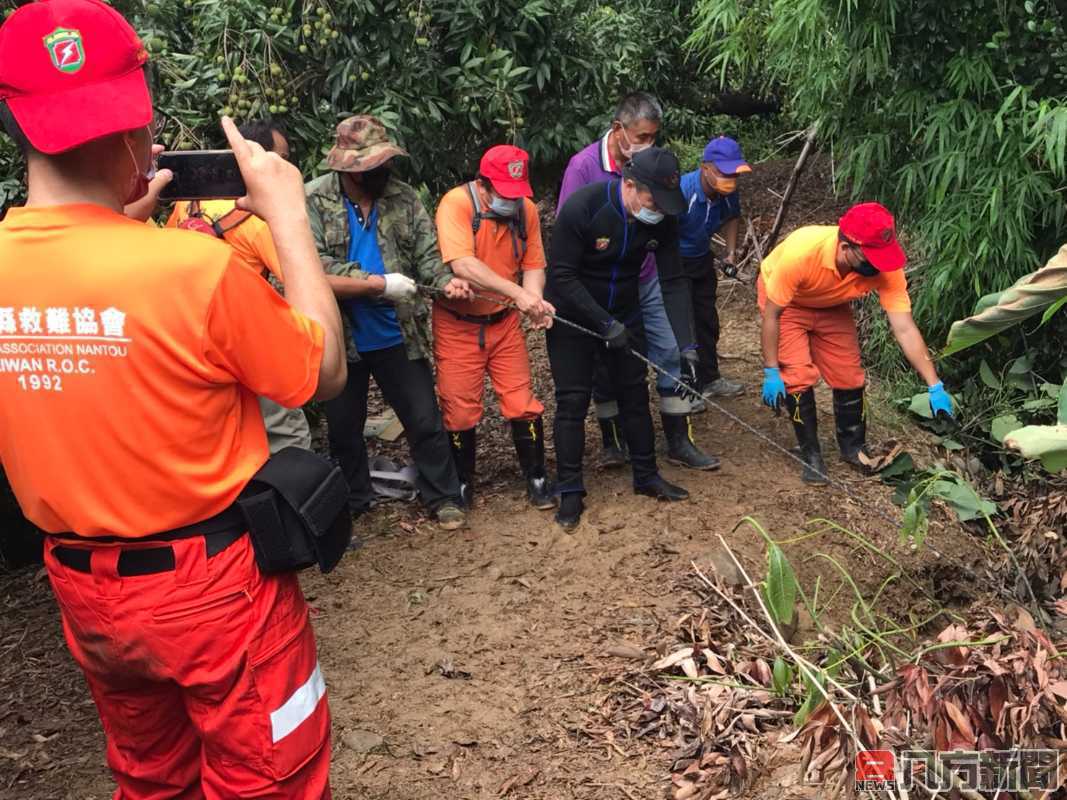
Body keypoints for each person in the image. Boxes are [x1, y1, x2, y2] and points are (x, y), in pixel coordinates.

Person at [0, 1, 347, 797]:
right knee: (271, 776)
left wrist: (112, 229)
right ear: (138, 121)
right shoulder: (193, 271)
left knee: (153, 778)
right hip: (213, 586)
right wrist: (289, 217)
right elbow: (321, 370)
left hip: (84, 593)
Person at [306, 115, 469, 530]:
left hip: (397, 330)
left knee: (423, 418)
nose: (382, 172)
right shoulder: (313, 200)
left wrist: (447, 283)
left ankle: (444, 497)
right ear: (347, 168)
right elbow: (311, 266)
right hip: (341, 334)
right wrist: (376, 284)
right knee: (344, 426)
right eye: (371, 167)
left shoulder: (403, 197)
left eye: (384, 164)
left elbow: (427, 256)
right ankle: (356, 499)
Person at [558, 92, 715, 471]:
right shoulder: (582, 169)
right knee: (604, 359)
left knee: (670, 350)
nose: (648, 146)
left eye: (653, 138)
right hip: (594, 284)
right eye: (641, 137)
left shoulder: (658, 171)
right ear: (619, 130)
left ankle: (679, 437)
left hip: (644, 277)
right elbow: (567, 245)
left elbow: (673, 268)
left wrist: (689, 343)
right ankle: (613, 439)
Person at [547, 147, 692, 529]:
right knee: (573, 401)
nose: (657, 208)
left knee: (634, 393)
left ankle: (646, 475)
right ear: (629, 184)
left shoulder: (661, 220)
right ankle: (570, 490)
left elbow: (673, 280)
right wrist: (601, 322)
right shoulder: (584, 207)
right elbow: (560, 275)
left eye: (664, 202)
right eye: (651, 199)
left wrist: (687, 344)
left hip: (625, 313)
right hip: (573, 316)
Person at [758, 202, 956, 483]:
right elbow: (772, 315)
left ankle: (853, 449)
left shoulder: (886, 267)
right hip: (787, 305)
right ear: (845, 247)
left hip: (831, 303)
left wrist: (934, 385)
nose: (877, 266)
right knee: (798, 375)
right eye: (870, 259)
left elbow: (904, 327)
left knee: (848, 374)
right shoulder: (801, 254)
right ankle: (811, 454)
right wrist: (771, 370)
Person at [166, 118, 313, 453]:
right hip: (249, 340)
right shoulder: (259, 220)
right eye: (282, 158)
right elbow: (301, 280)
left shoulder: (188, 204)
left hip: (192, 342)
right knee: (284, 435)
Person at [434, 144, 556, 511]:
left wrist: (534, 302)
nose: (512, 201)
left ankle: (536, 477)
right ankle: (461, 483)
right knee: (459, 407)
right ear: (482, 184)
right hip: (458, 323)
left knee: (523, 402)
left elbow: (534, 263)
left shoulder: (526, 210)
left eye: (517, 194)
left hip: (504, 324)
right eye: (504, 193)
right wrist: (518, 293)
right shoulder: (456, 205)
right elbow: (463, 264)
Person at [677, 135, 749, 403]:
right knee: (684, 323)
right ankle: (687, 386)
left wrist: (730, 253)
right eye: (723, 172)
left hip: (702, 259)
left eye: (734, 173)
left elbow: (732, 217)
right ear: (705, 167)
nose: (729, 179)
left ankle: (710, 377)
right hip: (676, 262)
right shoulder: (683, 190)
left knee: (707, 319)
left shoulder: (728, 192)